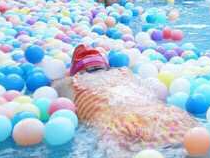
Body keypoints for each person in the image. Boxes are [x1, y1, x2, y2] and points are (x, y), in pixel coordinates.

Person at [53, 45, 197, 146]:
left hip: (120, 125)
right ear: (105, 65)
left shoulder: (71, 82)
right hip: (166, 115)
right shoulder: (123, 72)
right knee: (194, 146)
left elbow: (53, 88)